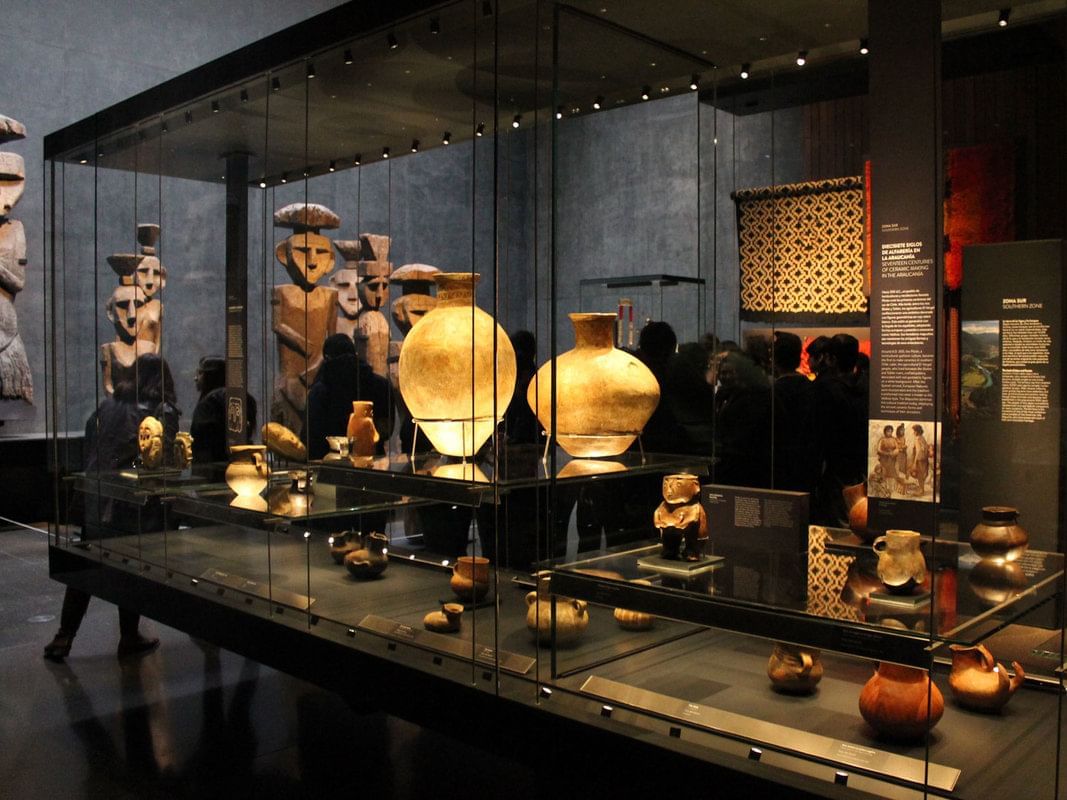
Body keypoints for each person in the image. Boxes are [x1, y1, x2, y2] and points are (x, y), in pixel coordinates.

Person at [44, 353, 179, 662]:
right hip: (128, 502)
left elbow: (92, 444)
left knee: (87, 566)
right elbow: (162, 458)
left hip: (96, 498)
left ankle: (64, 636)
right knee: (129, 567)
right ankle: (128, 636)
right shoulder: (158, 411)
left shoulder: (109, 405)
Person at [302, 333, 392, 460]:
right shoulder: (381, 385)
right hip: (372, 461)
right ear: (355, 353)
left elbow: (310, 437)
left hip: (330, 463)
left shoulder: (320, 391)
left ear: (327, 358)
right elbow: (386, 430)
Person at [771, 331, 818, 495]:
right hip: (806, 463)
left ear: (775, 360)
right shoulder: (810, 387)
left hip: (781, 464)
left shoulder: (774, 391)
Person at [189, 355, 257, 465]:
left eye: (200, 373)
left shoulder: (211, 402)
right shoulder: (243, 397)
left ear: (211, 375)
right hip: (240, 463)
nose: (196, 378)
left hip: (213, 467)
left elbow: (203, 442)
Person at [910, 423, 930, 495]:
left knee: (920, 474)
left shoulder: (918, 438)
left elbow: (919, 450)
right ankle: (921, 489)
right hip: (924, 458)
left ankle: (921, 490)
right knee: (921, 474)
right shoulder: (922, 437)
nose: (913, 432)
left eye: (914, 431)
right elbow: (925, 448)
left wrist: (915, 461)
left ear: (918, 431)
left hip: (920, 458)